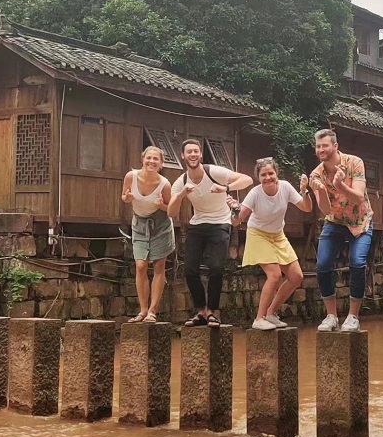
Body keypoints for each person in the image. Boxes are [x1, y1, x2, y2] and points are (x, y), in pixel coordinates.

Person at [167, 139, 253, 327]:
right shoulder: (181, 181)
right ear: (183, 156)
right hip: (197, 224)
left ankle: (213, 312)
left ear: (200, 155)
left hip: (220, 222)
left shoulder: (213, 171)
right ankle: (201, 312)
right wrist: (181, 194)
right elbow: (171, 212)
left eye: (196, 151)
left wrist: (225, 188)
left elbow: (247, 179)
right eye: (189, 152)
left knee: (216, 268)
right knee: (189, 269)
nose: (193, 155)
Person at [226, 158, 313, 330]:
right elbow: (236, 222)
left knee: (296, 277)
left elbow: (306, 207)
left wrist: (305, 191)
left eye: (270, 173)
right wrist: (235, 209)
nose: (268, 177)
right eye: (263, 175)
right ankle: (259, 318)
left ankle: (271, 313)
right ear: (258, 177)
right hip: (258, 234)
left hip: (278, 235)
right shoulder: (255, 193)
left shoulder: (286, 187)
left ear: (276, 174)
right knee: (274, 275)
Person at [310, 129, 373, 332]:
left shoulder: (354, 162)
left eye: (325, 145)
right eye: (318, 146)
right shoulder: (317, 173)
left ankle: (353, 316)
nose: (321, 149)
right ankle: (331, 316)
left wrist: (339, 185)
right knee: (323, 264)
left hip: (360, 222)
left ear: (335, 146)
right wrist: (319, 190)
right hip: (335, 222)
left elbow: (359, 197)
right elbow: (326, 210)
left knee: (357, 262)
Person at [121, 146, 174, 323]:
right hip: (140, 223)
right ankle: (142, 310)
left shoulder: (164, 183)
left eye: (155, 159)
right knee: (141, 265)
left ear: (161, 163)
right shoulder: (131, 177)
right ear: (142, 159)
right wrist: (127, 199)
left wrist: (161, 205)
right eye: (148, 158)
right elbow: (125, 196)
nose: (151, 162)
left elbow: (172, 210)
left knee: (159, 266)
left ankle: (152, 311)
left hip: (161, 225)